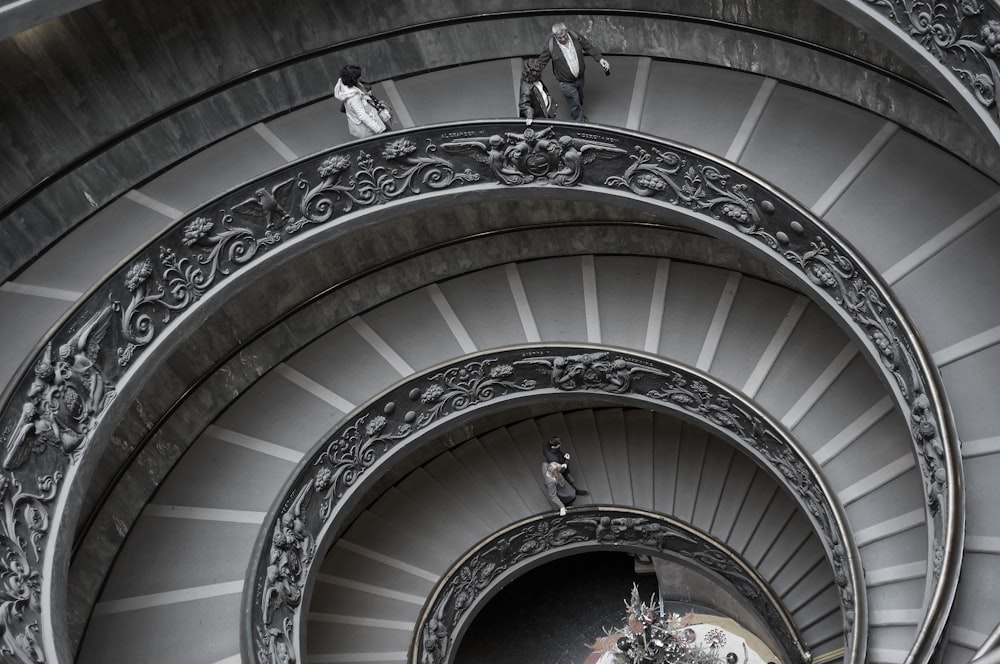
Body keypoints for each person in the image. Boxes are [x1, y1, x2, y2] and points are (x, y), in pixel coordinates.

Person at [535, 21, 610, 122]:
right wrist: (533, 76)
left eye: (564, 36)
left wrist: (600, 59)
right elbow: (542, 62)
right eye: (559, 37)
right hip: (566, 82)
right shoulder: (551, 45)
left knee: (579, 98)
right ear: (554, 36)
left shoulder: (575, 36)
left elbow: (588, 46)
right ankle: (580, 122)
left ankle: (575, 110)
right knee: (574, 102)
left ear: (567, 31)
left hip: (580, 77)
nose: (562, 39)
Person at [333, 64, 391, 138]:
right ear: (353, 79)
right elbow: (363, 116)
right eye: (358, 77)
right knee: (389, 139)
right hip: (371, 128)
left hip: (373, 119)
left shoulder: (347, 85)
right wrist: (379, 130)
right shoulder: (354, 98)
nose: (360, 77)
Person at [518, 58, 557, 125]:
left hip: (545, 110)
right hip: (539, 116)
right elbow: (524, 104)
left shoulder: (536, 80)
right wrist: (529, 115)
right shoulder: (526, 88)